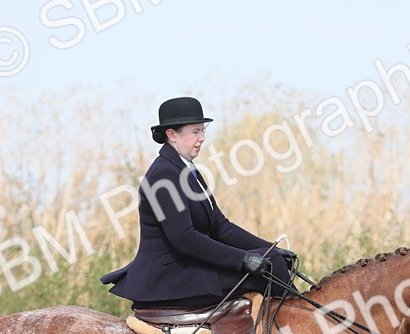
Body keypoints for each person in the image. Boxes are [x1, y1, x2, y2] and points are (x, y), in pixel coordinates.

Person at [100, 97, 297, 309]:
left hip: (187, 267)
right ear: (172, 135)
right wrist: (243, 259)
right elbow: (184, 237)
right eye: (195, 132)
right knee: (270, 267)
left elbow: (220, 226)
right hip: (169, 277)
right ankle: (303, 325)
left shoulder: (187, 169)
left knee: (272, 258)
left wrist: (270, 248)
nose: (202, 138)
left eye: (202, 131)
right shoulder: (163, 175)